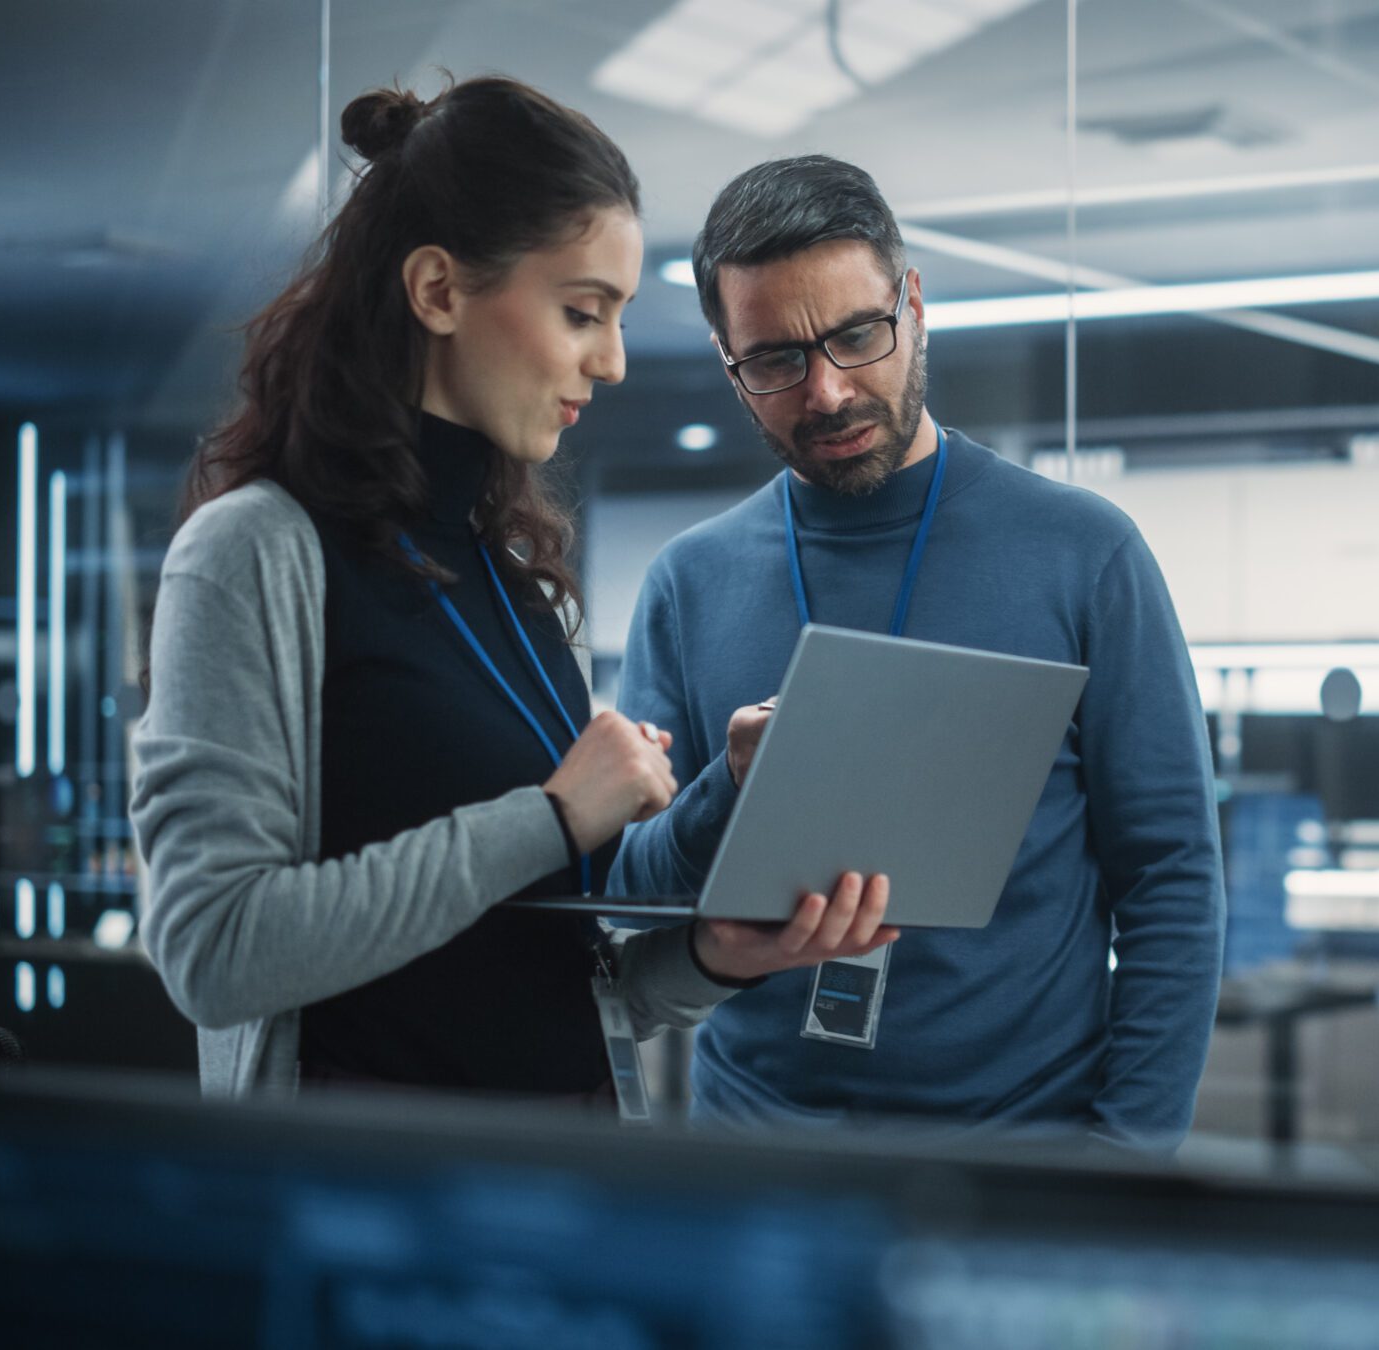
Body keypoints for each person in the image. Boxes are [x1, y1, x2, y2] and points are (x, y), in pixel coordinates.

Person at [129, 81, 894, 1102]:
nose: (613, 361)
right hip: (359, 1218)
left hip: (558, 1195)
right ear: (439, 290)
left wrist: (715, 955)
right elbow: (213, 953)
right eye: (582, 312)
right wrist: (547, 818)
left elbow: (555, 980)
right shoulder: (254, 555)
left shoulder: (522, 582)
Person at [613, 155, 1225, 1151]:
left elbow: (1171, 877)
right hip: (759, 1158)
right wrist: (729, 787)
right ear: (728, 361)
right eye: (773, 360)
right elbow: (633, 896)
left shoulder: (1081, 553)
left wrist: (1128, 1154)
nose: (826, 391)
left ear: (913, 305)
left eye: (858, 335)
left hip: (1023, 1157)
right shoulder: (690, 583)